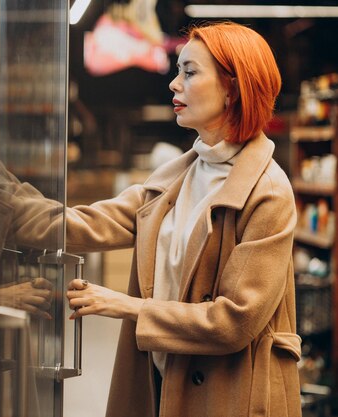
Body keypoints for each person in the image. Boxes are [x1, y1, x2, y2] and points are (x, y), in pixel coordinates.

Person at [60, 21, 301, 417]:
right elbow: (89, 223)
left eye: (189, 72)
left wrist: (128, 306)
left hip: (231, 397)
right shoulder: (178, 177)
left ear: (232, 88)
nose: (174, 84)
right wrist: (3, 208)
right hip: (163, 384)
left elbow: (233, 320)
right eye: (178, 71)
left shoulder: (269, 192)